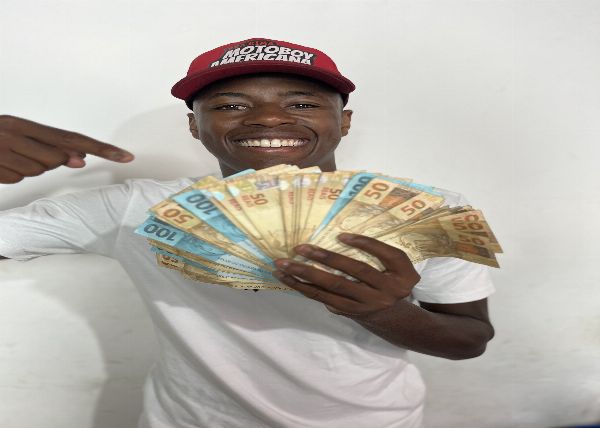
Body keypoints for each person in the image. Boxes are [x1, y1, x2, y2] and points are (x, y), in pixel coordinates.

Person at [0, 38, 495, 428]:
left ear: (343, 122)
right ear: (194, 126)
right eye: (230, 105)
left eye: (302, 103)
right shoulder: (138, 208)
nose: (267, 118)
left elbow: (469, 340)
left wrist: (383, 312)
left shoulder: (433, 210)